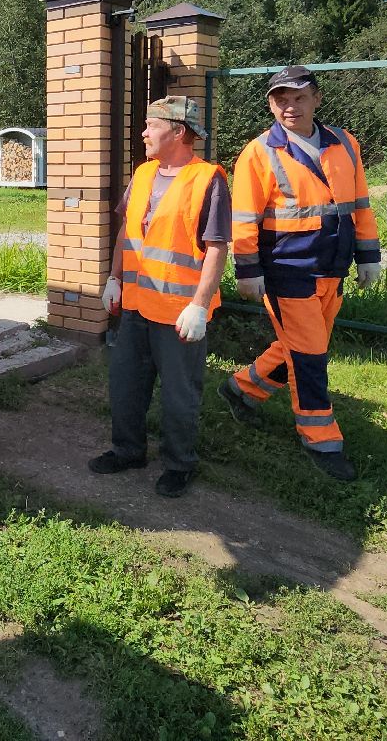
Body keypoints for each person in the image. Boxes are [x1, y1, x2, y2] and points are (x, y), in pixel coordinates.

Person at [222, 65, 382, 481]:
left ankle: (240, 389)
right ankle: (322, 440)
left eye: (299, 98)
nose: (290, 107)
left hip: (333, 268)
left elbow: (360, 205)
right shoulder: (258, 152)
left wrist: (368, 255)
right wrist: (247, 270)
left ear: (316, 99)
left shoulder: (345, 143)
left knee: (302, 347)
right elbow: (244, 218)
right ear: (270, 105)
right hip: (287, 271)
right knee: (310, 357)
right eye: (281, 100)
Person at [87, 97, 230, 498]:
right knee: (126, 385)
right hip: (135, 307)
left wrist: (199, 305)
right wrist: (114, 277)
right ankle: (128, 451)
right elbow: (126, 230)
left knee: (179, 395)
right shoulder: (144, 173)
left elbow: (217, 247)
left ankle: (179, 464)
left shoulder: (208, 179)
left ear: (179, 132)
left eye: (152, 126)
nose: (144, 133)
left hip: (178, 312)